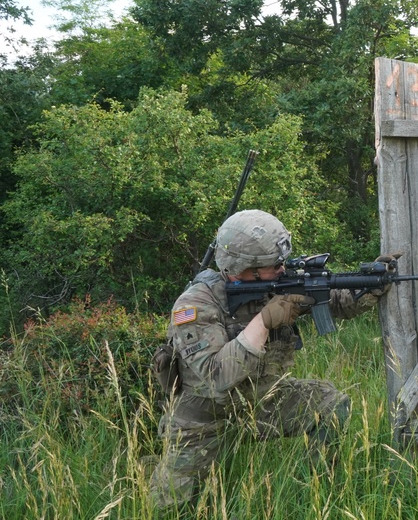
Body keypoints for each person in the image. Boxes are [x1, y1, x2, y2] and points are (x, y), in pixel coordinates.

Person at [149, 209, 396, 510]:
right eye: (273, 265)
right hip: (202, 420)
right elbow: (216, 377)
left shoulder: (275, 285)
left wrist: (367, 286)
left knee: (330, 404)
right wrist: (263, 322)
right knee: (171, 508)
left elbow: (332, 301)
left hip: (261, 402)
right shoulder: (195, 305)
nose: (282, 270)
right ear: (243, 268)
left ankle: (316, 496)